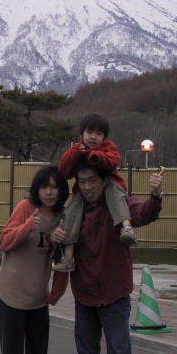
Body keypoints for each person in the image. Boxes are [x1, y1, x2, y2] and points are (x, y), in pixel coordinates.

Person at [49, 160, 165, 354]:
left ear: (104, 182)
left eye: (92, 180)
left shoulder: (118, 204)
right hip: (85, 298)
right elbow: (57, 243)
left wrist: (155, 195)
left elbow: (143, 214)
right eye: (82, 182)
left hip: (115, 297)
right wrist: (55, 237)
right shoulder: (74, 211)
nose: (87, 187)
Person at [0, 165, 70, 354]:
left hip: (38, 300)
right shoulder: (25, 207)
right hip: (11, 295)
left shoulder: (63, 218)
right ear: (37, 189)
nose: (49, 192)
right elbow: (4, 242)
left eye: (54, 187)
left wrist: (56, 292)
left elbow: (64, 261)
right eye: (45, 187)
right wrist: (28, 226)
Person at [54, 113, 133, 272]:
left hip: (110, 185)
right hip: (82, 192)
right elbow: (63, 170)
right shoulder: (77, 150)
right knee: (71, 213)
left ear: (104, 136)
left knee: (117, 199)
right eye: (89, 132)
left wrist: (96, 156)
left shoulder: (108, 147)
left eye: (98, 133)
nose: (93, 137)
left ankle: (126, 228)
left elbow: (113, 160)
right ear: (81, 134)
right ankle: (68, 258)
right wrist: (75, 152)